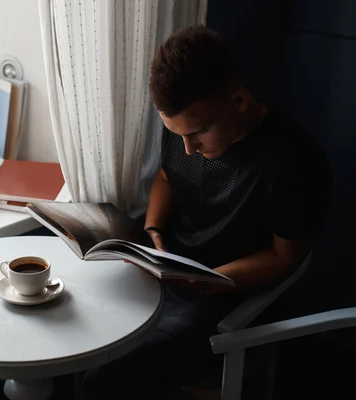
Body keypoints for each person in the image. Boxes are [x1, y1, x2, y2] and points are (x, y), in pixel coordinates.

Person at [81, 24, 332, 399]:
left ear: (240, 101)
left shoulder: (293, 161)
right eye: (175, 133)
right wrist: (153, 231)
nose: (187, 148)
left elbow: (285, 257)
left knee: (105, 376)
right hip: (167, 268)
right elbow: (167, 178)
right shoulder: (186, 128)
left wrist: (206, 282)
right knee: (74, 325)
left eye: (197, 134)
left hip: (227, 298)